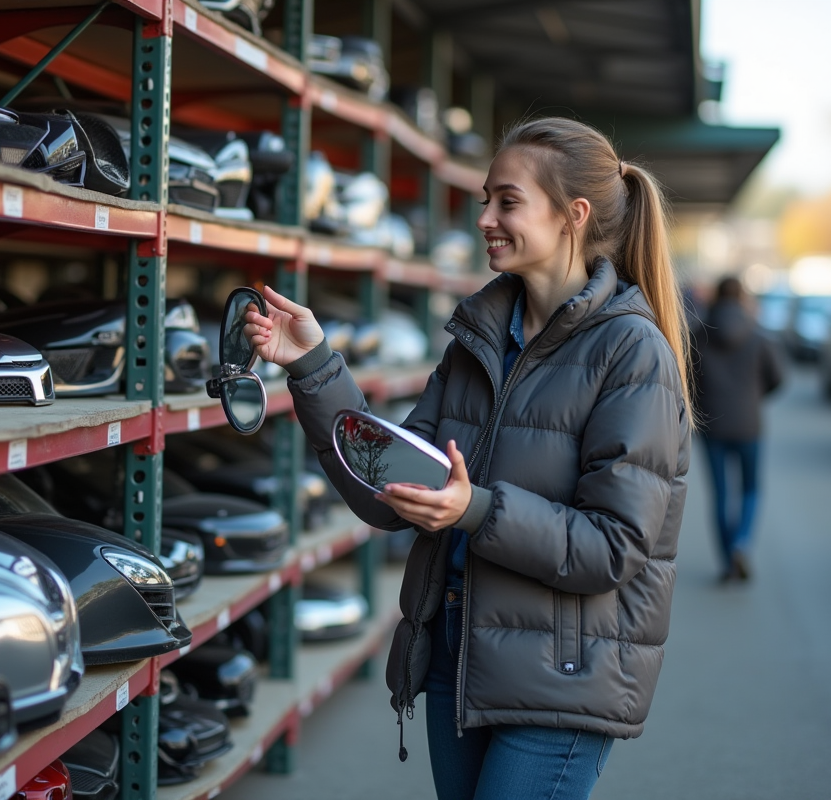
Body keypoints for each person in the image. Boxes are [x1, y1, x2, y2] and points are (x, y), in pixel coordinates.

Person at [244, 117, 691, 800]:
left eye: (506, 201)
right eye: (486, 198)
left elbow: (614, 547)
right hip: (458, 651)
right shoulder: (477, 341)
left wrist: (474, 509)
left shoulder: (631, 354)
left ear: (573, 215)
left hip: (561, 673)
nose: (485, 217)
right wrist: (311, 364)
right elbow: (385, 487)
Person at [691, 276, 782, 582]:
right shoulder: (757, 335)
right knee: (751, 489)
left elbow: (687, 380)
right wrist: (755, 397)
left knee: (720, 495)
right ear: (742, 297)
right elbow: (778, 377)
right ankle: (742, 542)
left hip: (711, 426)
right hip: (748, 425)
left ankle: (728, 559)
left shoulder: (699, 335)